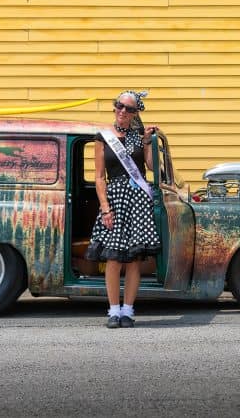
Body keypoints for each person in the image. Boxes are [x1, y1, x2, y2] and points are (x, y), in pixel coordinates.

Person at [85, 90, 161, 328]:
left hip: (138, 199)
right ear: (114, 107)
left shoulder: (140, 135)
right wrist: (105, 208)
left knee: (133, 260)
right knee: (113, 259)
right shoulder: (103, 137)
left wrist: (148, 142)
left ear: (135, 113)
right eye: (120, 106)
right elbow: (99, 177)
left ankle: (128, 310)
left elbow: (150, 166)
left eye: (129, 109)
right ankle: (113, 311)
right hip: (115, 199)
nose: (122, 111)